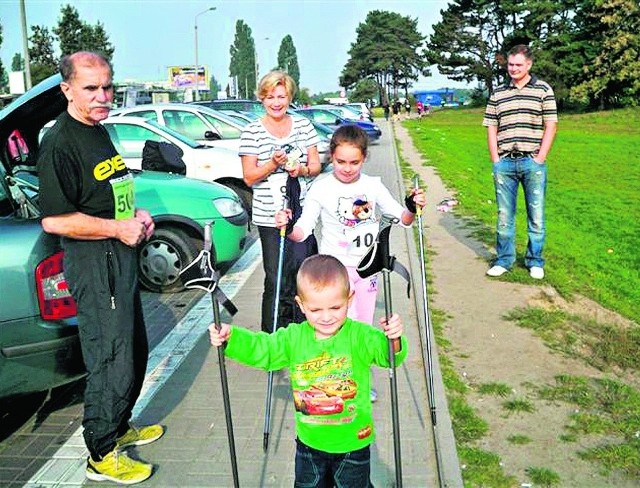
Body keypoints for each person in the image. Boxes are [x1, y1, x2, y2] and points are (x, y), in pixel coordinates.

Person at [37, 52, 163, 485]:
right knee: (109, 357)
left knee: (133, 350)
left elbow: (109, 193)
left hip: (121, 256)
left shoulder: (100, 131)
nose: (102, 96)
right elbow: (55, 220)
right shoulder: (59, 142)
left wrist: (135, 215)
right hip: (95, 264)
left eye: (107, 86)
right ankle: (101, 452)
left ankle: (120, 422)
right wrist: (115, 228)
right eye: (91, 88)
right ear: (67, 90)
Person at [208, 254, 407, 487]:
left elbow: (389, 357)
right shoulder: (294, 337)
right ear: (301, 305)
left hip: (354, 442)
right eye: (315, 310)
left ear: (349, 299)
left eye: (335, 307)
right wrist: (232, 338)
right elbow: (265, 350)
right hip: (309, 444)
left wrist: (394, 338)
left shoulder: (361, 335)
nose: (326, 317)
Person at [275, 125, 426, 329]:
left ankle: (357, 362)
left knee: (362, 327)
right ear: (332, 156)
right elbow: (302, 232)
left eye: (354, 162)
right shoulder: (321, 188)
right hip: (335, 270)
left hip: (366, 268)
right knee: (339, 326)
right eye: (341, 162)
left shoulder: (373, 185)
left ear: (364, 157)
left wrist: (412, 207)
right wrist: (288, 226)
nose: (347, 168)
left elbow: (403, 219)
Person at [239, 70, 322, 333]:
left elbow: (316, 165)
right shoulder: (252, 131)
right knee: (276, 277)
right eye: (271, 97)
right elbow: (249, 177)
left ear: (289, 97)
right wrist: (272, 164)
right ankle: (273, 334)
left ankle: (302, 332)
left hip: (301, 211)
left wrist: (301, 171)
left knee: (302, 274)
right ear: (262, 98)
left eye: (282, 96)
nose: (277, 102)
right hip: (268, 215)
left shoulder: (303, 126)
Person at [483, 44, 557, 280]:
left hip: (531, 162)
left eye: (518, 65)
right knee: (504, 215)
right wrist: (495, 158)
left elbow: (551, 125)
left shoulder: (543, 90)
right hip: (505, 162)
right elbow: (491, 126)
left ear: (529, 65)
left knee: (536, 215)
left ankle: (535, 260)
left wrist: (540, 158)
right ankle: (504, 259)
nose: (513, 69)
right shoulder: (498, 93)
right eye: (510, 65)